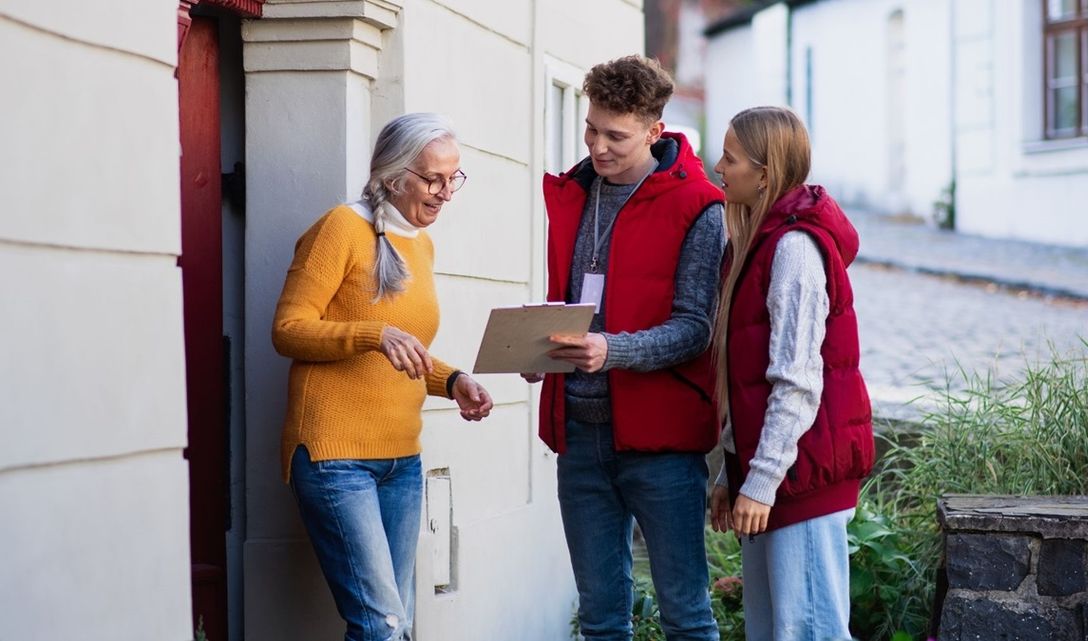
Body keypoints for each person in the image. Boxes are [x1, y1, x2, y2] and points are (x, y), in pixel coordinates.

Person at [524, 55, 725, 641]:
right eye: (592, 129)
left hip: (661, 444)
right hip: (580, 439)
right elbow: (574, 304)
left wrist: (609, 351)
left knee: (686, 617)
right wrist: (541, 353)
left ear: (654, 131)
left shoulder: (698, 207)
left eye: (616, 135)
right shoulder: (574, 193)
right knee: (600, 619)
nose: (599, 146)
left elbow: (695, 329)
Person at [271, 112, 493, 641]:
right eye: (433, 178)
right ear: (394, 176)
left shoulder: (419, 242)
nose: (445, 193)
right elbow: (288, 330)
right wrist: (373, 333)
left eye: (452, 178)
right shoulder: (340, 227)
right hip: (333, 457)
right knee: (381, 624)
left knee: (396, 624)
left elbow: (406, 350)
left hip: (402, 460)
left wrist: (452, 379)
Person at [708, 106, 875, 641]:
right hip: (773, 476)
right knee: (773, 631)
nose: (718, 166)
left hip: (797, 481)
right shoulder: (756, 244)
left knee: (807, 633)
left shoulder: (794, 250)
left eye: (730, 158)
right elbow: (744, 378)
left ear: (764, 172)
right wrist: (730, 471)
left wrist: (758, 481)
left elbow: (797, 382)